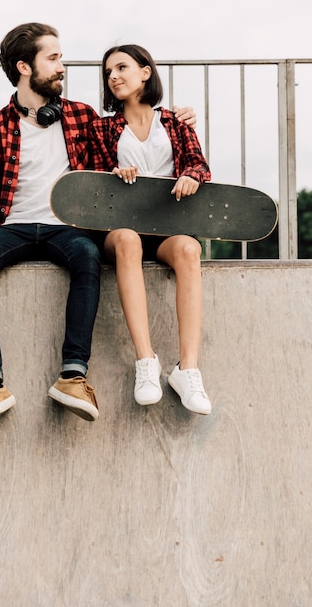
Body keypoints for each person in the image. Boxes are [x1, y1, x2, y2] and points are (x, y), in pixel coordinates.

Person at [0, 23, 196, 430]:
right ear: (23, 66)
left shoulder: (81, 118)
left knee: (88, 254)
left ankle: (73, 376)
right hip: (13, 227)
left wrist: (173, 117)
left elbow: (125, 136)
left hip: (66, 229)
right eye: (53, 58)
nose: (62, 66)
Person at [88, 44, 212, 415]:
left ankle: (187, 370)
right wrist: (113, 175)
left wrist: (191, 176)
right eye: (108, 71)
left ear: (145, 72)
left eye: (122, 67)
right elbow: (92, 182)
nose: (113, 76)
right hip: (121, 228)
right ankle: (146, 362)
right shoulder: (102, 127)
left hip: (166, 228)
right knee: (127, 240)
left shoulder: (175, 122)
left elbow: (199, 165)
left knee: (190, 249)